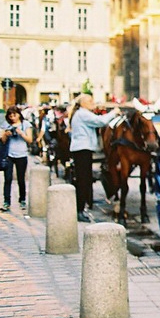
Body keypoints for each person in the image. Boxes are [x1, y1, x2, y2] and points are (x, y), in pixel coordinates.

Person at [68, 94, 121, 222]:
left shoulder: (82, 113)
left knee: (84, 179)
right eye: (90, 101)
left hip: (82, 149)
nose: (93, 102)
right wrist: (114, 112)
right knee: (83, 180)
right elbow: (100, 122)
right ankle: (79, 210)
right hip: (82, 149)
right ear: (82, 103)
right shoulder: (83, 114)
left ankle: (81, 209)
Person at [0, 105, 34, 212]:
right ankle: (6, 202)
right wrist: (6, 135)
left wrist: (21, 133)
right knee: (7, 179)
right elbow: (2, 141)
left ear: (19, 114)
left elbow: (30, 140)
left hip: (21, 154)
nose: (13, 117)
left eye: (14, 115)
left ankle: (22, 199)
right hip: (8, 155)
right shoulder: (6, 125)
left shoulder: (25, 124)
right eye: (10, 116)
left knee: (21, 179)